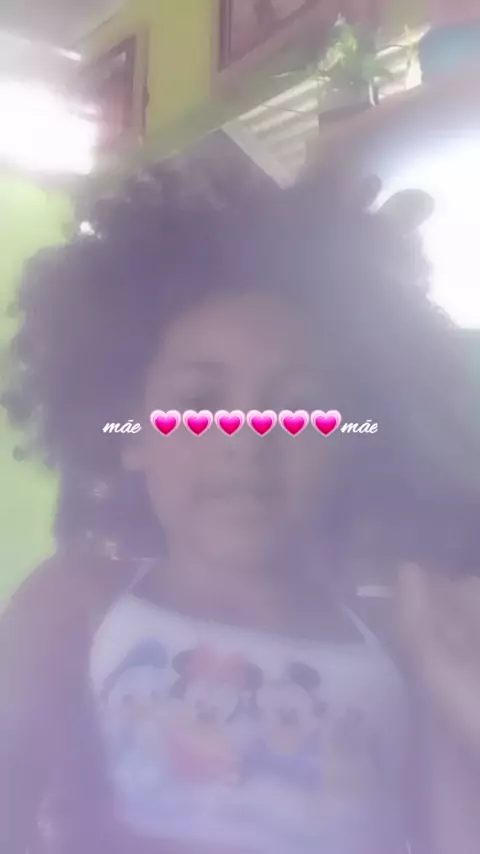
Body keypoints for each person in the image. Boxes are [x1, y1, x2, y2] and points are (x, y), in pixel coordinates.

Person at [1, 161, 479, 854]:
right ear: (131, 434)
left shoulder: (405, 642)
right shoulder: (76, 601)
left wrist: (464, 703)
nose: (247, 439)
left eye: (297, 409)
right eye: (200, 403)